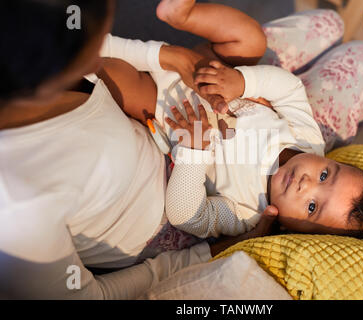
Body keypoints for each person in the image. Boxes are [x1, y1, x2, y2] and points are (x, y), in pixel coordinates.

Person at [0, 0, 275, 299]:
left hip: (166, 139)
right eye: (90, 50)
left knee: (244, 48)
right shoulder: (16, 207)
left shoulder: (29, 54)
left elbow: (81, 33)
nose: (99, 60)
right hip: (177, 225)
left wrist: (163, 55)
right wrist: (208, 255)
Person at [157, 0, 363, 240]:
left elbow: (189, 216)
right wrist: (243, 82)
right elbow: (290, 91)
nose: (306, 183)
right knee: (329, 24)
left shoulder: (247, 214)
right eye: (324, 175)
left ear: (293, 232)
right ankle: (183, 17)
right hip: (232, 84)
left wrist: (193, 154)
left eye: (312, 207)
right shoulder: (309, 142)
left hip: (176, 108)